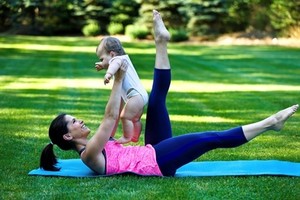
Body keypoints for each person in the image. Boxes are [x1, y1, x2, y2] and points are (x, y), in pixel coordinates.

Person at [40, 10, 298, 177]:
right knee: (209, 138)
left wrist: (119, 74)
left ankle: (160, 42)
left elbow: (115, 116)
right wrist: (117, 78)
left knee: (157, 99)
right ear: (67, 135)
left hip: (152, 149)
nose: (80, 121)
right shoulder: (88, 154)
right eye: (74, 122)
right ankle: (271, 123)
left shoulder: (96, 147)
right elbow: (109, 119)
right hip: (157, 162)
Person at [95, 36, 148, 144]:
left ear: (112, 54)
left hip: (135, 96)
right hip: (141, 95)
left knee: (124, 116)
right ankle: (135, 136)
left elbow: (114, 64)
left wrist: (108, 74)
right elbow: (111, 64)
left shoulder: (117, 60)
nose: (102, 61)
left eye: (102, 59)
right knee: (135, 119)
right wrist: (104, 64)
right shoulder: (123, 58)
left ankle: (127, 137)